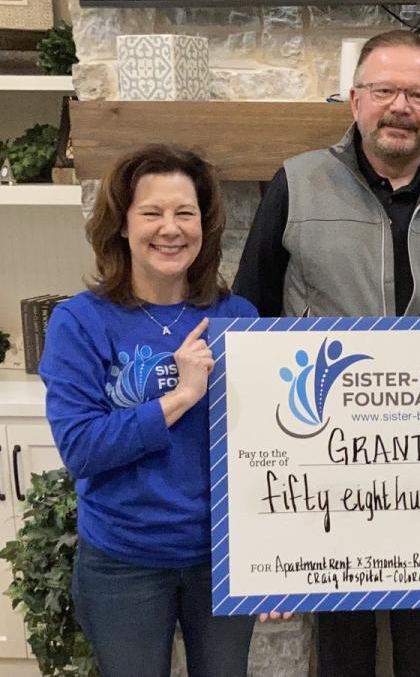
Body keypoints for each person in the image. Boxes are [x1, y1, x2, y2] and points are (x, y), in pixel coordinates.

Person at [233, 29, 420, 677]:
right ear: (355, 100)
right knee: (342, 653)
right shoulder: (295, 183)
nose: (400, 106)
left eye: (419, 94)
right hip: (323, 463)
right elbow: (249, 317)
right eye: (385, 90)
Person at [39, 144, 258, 677]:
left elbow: (264, 447)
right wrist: (179, 397)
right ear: (121, 225)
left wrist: (266, 558)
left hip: (221, 559)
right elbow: (82, 449)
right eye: (151, 213)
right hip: (122, 561)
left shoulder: (238, 316)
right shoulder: (80, 322)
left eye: (185, 213)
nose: (170, 229)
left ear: (203, 226)